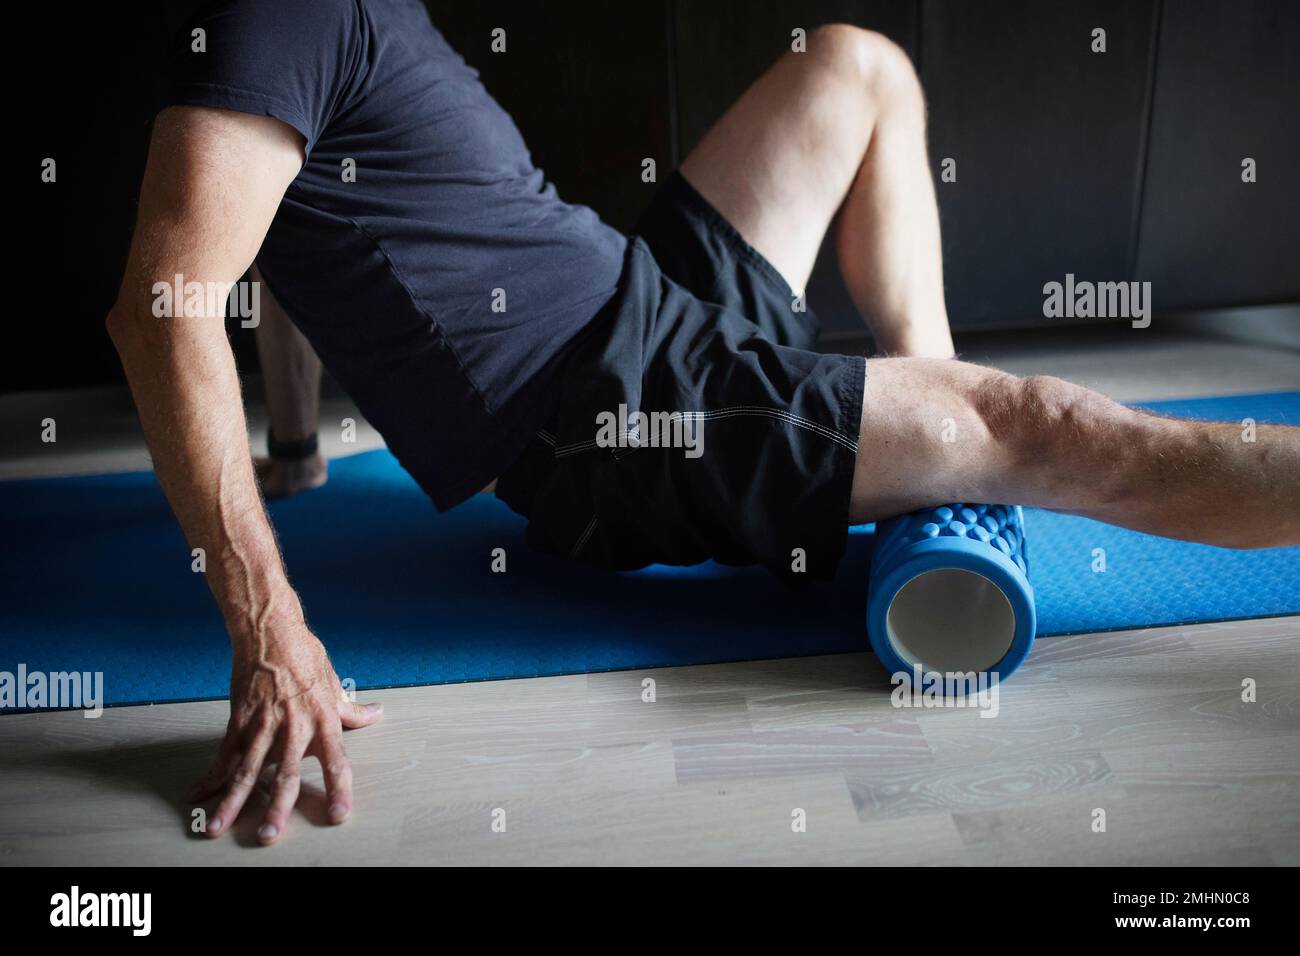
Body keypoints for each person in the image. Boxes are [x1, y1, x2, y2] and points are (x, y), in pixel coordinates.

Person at [106, 0, 1300, 846]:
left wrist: (300, 452)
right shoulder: (268, 13)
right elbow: (168, 303)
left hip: (636, 291)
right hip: (610, 408)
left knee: (855, 65)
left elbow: (289, 230)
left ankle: (939, 440)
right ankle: (964, 440)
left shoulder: (301, 32)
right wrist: (269, 623)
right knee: (1042, 422)